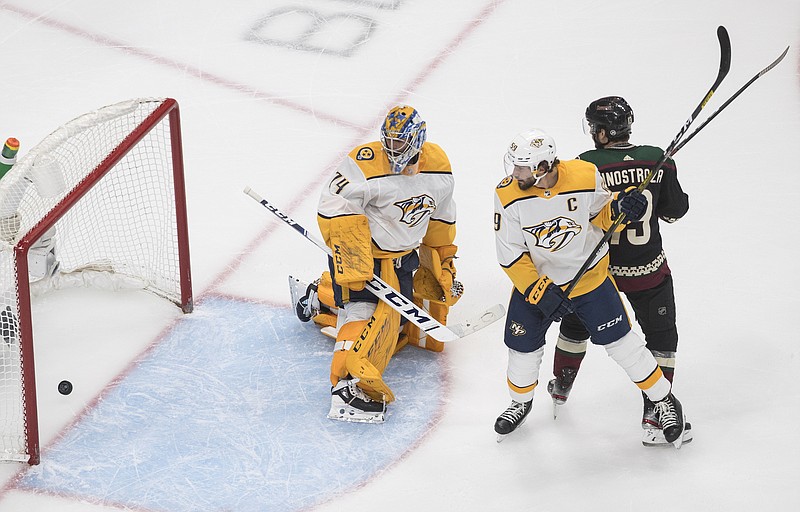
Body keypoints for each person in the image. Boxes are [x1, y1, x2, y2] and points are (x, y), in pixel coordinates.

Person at [492, 128, 687, 448]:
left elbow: (602, 215)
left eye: (522, 167)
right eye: (513, 165)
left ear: (542, 168)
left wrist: (623, 208)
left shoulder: (584, 175)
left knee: (623, 345)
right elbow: (510, 255)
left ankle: (664, 400)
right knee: (522, 349)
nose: (515, 173)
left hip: (589, 281)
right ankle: (520, 401)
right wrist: (539, 290)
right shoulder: (506, 194)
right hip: (537, 284)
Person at [293, 105, 462, 423]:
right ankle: (345, 387)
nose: (391, 149)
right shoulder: (365, 162)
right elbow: (333, 205)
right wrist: (355, 258)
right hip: (361, 258)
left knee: (395, 327)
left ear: (417, 141)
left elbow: (440, 217)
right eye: (389, 141)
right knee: (363, 316)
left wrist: (444, 261)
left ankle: (320, 298)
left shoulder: (439, 167)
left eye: (400, 143)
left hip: (401, 260)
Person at [548, 96, 691, 446]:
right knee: (660, 338)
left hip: (600, 272)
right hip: (648, 269)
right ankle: (655, 416)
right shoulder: (657, 157)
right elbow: (676, 211)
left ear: (601, 133)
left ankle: (562, 383)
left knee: (577, 322)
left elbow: (574, 217)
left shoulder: (584, 165)